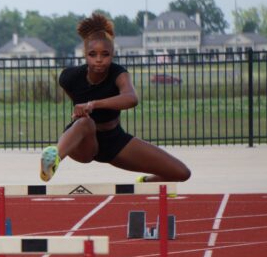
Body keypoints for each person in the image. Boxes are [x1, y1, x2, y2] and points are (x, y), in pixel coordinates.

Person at [41, 13, 191, 184]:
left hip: (114, 141)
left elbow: (131, 98)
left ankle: (145, 182)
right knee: (85, 122)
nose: (99, 60)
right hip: (83, 143)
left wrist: (93, 104)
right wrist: (81, 110)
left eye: (104, 55)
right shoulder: (69, 77)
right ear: (85, 55)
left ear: (112, 54)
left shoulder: (118, 73)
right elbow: (76, 100)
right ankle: (53, 159)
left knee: (182, 173)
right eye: (92, 54)